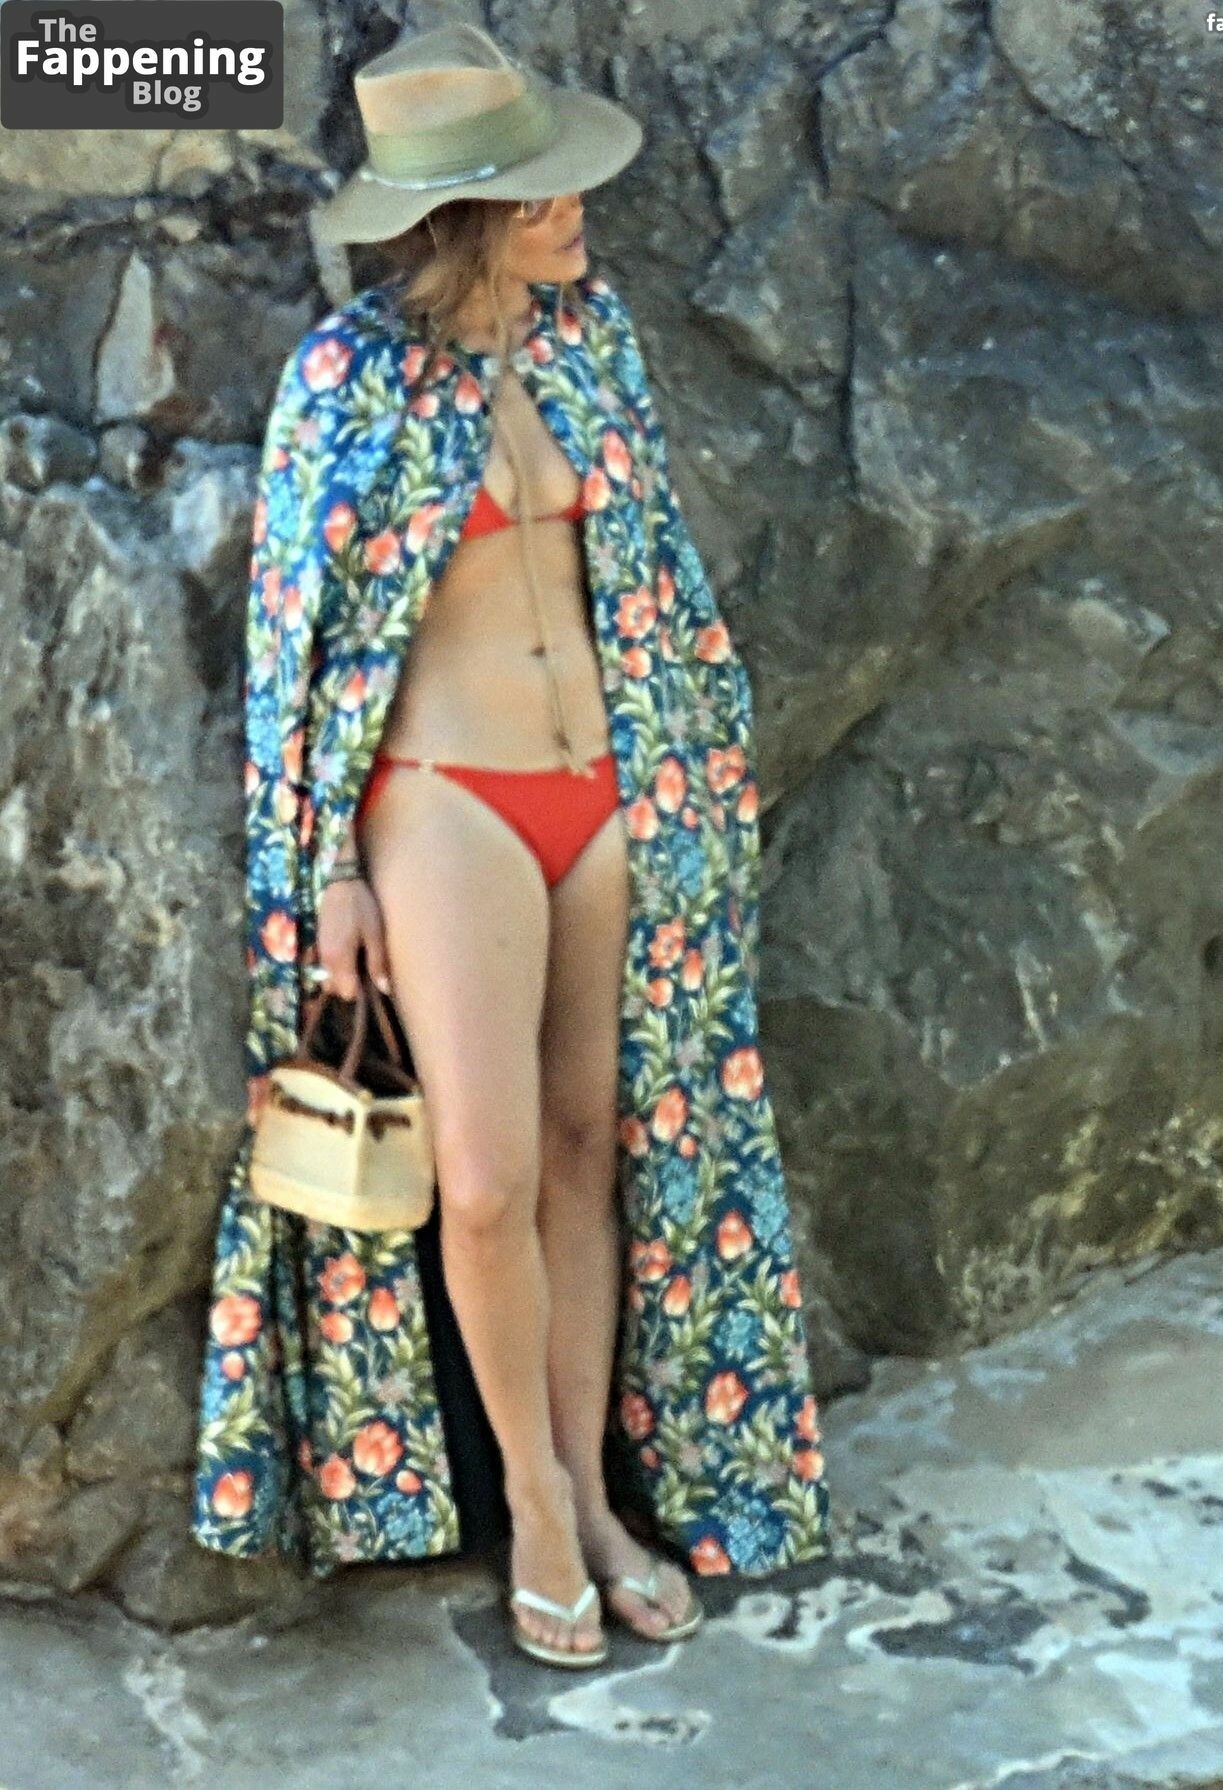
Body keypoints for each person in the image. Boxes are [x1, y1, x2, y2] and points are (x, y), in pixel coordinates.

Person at [192, 20, 832, 1669]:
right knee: (476, 1181)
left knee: (581, 1150)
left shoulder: (591, 337)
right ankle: (534, 1509)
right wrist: (329, 871)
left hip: (612, 792)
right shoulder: (343, 381)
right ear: (470, 214)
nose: (576, 212)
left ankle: (601, 1502)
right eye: (543, 197)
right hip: (446, 798)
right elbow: (294, 651)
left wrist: (696, 774)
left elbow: (653, 573)